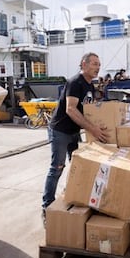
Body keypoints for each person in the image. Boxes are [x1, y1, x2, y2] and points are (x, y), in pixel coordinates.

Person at [41, 52, 110, 220]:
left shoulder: (89, 85)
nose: (98, 67)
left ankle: (73, 194)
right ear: (83, 64)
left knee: (76, 165)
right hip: (60, 130)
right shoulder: (74, 82)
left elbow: (89, 108)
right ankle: (46, 205)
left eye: (99, 64)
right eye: (94, 63)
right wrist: (93, 129)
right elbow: (70, 109)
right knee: (57, 167)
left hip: (74, 132)